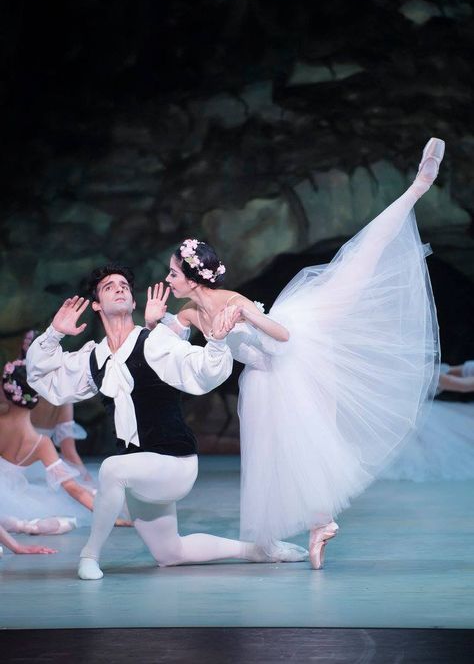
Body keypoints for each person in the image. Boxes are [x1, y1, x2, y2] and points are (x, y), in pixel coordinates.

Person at [146, 138, 444, 569]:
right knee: (290, 454)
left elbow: (282, 335)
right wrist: (156, 322)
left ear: (193, 277)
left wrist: (247, 315)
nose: (168, 279)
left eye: (173, 273)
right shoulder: (190, 312)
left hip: (300, 339)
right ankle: (320, 525)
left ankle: (416, 186)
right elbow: (162, 348)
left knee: (357, 265)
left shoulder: (232, 299)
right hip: (266, 376)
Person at [26, 264, 308, 581]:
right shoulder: (92, 357)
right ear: (96, 305)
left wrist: (215, 341)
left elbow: (202, 369)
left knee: (111, 469)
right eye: (109, 287)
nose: (119, 288)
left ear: (133, 303)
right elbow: (42, 375)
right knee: (170, 553)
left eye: (124, 285)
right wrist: (54, 333)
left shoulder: (155, 342)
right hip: (139, 471)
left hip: (174, 463)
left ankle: (89, 555)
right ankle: (255, 551)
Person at [0, 360, 97, 527]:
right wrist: (108, 515)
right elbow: (72, 487)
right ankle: (26, 525)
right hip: (15, 494)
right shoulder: (42, 443)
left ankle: (20, 525)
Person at [20, 330, 93, 483]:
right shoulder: (62, 392)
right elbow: (69, 452)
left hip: (15, 469)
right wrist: (89, 483)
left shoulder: (15, 389)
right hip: (47, 469)